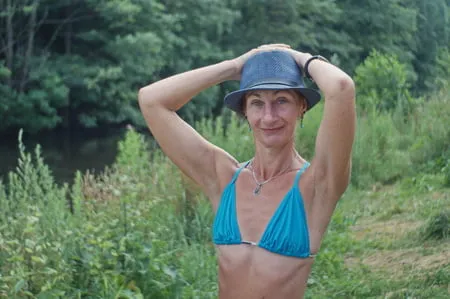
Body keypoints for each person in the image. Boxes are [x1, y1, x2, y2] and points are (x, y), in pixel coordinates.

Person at [138, 44, 356, 299]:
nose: (268, 116)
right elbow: (151, 100)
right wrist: (235, 66)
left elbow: (341, 87)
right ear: (245, 111)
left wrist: (299, 59)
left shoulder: (317, 187)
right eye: (256, 103)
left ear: (302, 107)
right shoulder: (222, 177)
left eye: (281, 100)